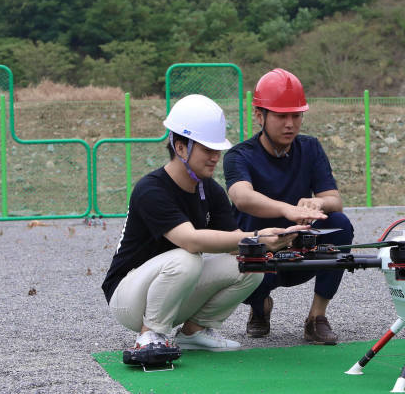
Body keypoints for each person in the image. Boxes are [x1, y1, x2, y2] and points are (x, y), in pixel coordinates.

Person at [101, 94, 304, 363]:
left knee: (251, 264)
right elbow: (190, 240)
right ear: (181, 147)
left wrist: (271, 242)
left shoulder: (210, 189)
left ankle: (194, 332)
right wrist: (256, 236)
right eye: (208, 149)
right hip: (128, 298)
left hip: (173, 285)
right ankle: (150, 336)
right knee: (188, 257)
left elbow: (234, 243)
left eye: (217, 150)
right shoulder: (150, 189)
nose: (215, 157)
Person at [223, 68, 354, 345]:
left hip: (298, 250)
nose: (290, 124)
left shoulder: (311, 148)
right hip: (259, 253)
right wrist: (287, 210)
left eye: (296, 115)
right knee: (244, 281)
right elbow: (241, 197)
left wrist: (319, 202)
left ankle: (316, 318)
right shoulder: (239, 155)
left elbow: (335, 200)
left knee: (341, 224)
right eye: (282, 116)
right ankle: (260, 307)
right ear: (260, 116)